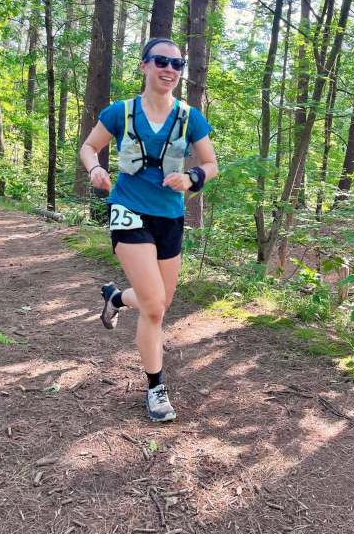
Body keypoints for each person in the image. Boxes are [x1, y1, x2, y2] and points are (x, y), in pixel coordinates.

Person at [80, 38, 218, 422]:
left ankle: (116, 298)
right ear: (144, 66)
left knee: (158, 304)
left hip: (169, 217)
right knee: (154, 307)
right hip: (128, 209)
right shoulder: (121, 112)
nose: (169, 69)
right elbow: (89, 147)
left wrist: (191, 177)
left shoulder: (190, 117)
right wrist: (95, 168)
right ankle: (156, 388)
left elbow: (211, 164)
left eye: (177, 64)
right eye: (161, 61)